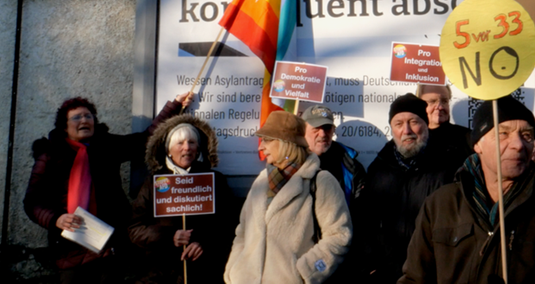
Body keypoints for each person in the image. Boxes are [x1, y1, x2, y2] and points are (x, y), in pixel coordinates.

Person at [399, 95, 535, 284]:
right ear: (477, 144)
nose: (518, 145)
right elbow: (415, 279)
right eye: (503, 133)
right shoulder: (441, 204)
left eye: (527, 136)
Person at [23, 92, 192, 284]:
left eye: (89, 116)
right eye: (76, 117)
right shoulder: (50, 155)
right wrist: (56, 219)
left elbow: (144, 140)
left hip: (109, 247)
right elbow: (32, 202)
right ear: (64, 126)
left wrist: (175, 106)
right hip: (69, 248)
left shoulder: (106, 146)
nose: (84, 120)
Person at [224, 111, 352, 284]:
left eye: (267, 140)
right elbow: (242, 232)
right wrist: (234, 270)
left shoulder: (320, 181)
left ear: (285, 144)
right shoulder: (262, 180)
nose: (261, 147)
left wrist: (306, 272)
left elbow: (339, 236)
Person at [359, 93, 466, 284]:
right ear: (392, 129)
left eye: (413, 122)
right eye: (399, 124)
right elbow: (366, 222)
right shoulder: (378, 169)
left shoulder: (450, 165)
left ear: (426, 125)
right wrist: (371, 266)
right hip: (388, 274)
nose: (406, 130)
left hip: (434, 273)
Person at [128, 114, 236, 284]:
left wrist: (205, 242)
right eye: (180, 143)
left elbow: (230, 223)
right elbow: (135, 229)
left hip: (204, 271)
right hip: (161, 273)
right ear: (169, 150)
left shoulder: (215, 180)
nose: (187, 148)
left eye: (191, 143)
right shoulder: (152, 182)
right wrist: (169, 236)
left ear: (198, 148)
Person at [301, 104, 366, 213]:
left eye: (327, 128)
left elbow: (360, 214)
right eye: (316, 128)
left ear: (333, 130)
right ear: (303, 131)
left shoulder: (351, 166)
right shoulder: (289, 163)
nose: (322, 134)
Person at [416, 84, 473, 157]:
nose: (440, 107)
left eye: (444, 101)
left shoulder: (467, 138)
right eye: (432, 101)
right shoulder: (412, 138)